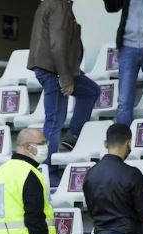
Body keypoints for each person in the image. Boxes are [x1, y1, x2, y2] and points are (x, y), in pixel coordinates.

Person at [28, 0, 101, 161]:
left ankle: (72, 137)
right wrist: (65, 76)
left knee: (91, 91)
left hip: (56, 69)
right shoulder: (58, 5)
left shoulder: (53, 4)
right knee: (54, 121)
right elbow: (57, 44)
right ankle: (49, 170)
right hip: (54, 71)